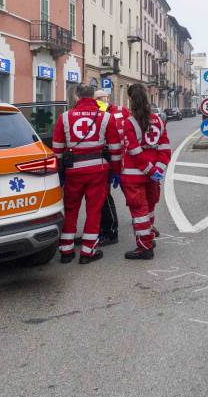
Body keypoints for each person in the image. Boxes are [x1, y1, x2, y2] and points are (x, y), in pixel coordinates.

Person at [51, 83, 121, 264]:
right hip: (98, 171)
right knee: (94, 211)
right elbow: (115, 147)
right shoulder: (105, 117)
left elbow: (57, 148)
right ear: (93, 96)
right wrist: (115, 171)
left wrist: (59, 172)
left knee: (71, 209)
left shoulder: (64, 117)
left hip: (73, 170)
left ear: (77, 97)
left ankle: (66, 251)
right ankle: (88, 252)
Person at [119, 84, 165, 260]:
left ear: (131, 100)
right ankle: (149, 237)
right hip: (153, 176)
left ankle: (145, 247)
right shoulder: (159, 121)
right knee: (150, 208)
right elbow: (165, 148)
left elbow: (134, 151)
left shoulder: (128, 123)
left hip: (134, 176)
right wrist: (157, 170)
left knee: (139, 212)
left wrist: (149, 170)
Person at [94, 89, 124, 245]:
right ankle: (98, 231)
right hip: (101, 159)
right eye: (97, 98)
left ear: (108, 97)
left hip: (115, 160)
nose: (101, 100)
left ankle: (111, 231)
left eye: (102, 97)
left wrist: (116, 168)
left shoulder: (120, 111)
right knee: (98, 198)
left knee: (105, 197)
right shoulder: (96, 113)